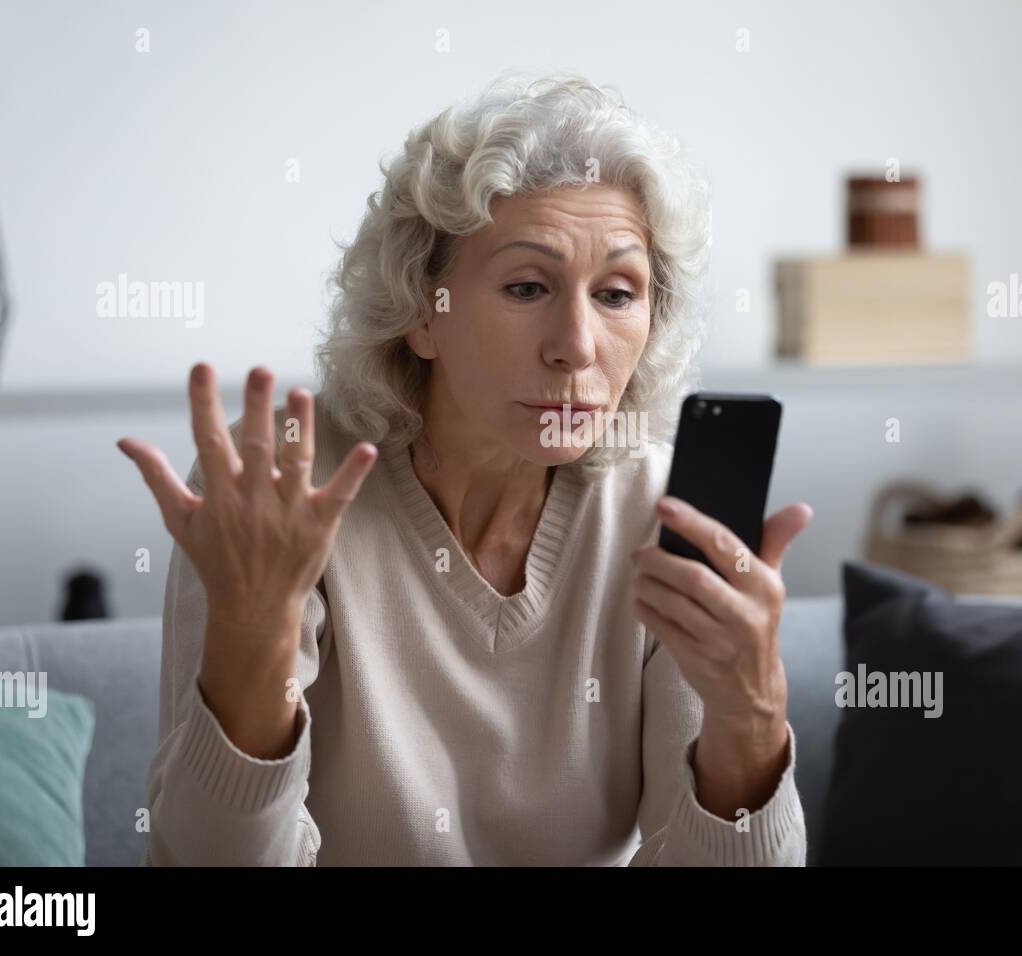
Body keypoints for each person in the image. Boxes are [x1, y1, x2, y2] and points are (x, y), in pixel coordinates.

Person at [119, 71, 812, 866]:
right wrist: (251, 636)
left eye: (617, 293)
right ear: (421, 312)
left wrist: (751, 716)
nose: (578, 346)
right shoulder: (283, 498)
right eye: (527, 286)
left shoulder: (661, 513)